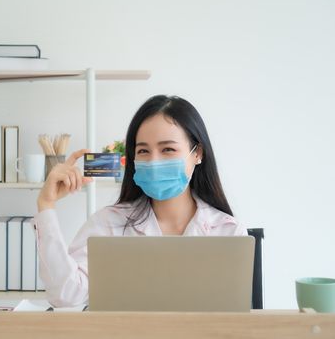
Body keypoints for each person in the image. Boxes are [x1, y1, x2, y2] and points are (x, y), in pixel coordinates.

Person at [33, 95, 247, 307]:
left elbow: (232, 319)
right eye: (143, 151)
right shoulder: (108, 224)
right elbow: (65, 295)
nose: (154, 161)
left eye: (168, 149)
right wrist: (46, 205)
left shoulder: (228, 231)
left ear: (197, 153)